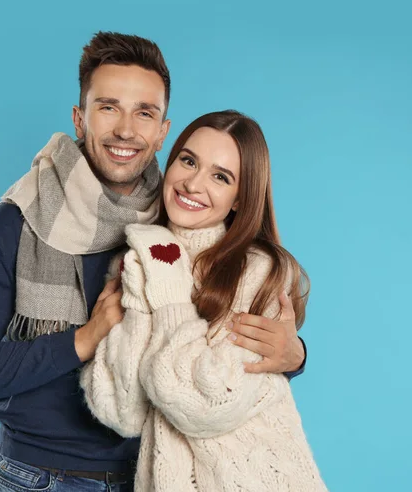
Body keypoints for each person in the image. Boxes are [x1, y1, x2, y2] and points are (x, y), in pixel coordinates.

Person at [0, 33, 307, 492]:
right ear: (79, 119)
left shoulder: (183, 223)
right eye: (108, 107)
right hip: (38, 478)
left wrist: (292, 356)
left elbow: (226, 343)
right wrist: (83, 339)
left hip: (156, 478)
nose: (126, 130)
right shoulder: (20, 220)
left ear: (162, 131)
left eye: (144, 113)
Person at [81, 110, 326, 491]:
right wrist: (155, 266)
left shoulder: (258, 272)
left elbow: (203, 405)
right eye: (189, 161)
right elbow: (122, 411)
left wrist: (169, 295)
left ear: (239, 200)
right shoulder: (143, 256)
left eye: (220, 176)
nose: (193, 184)